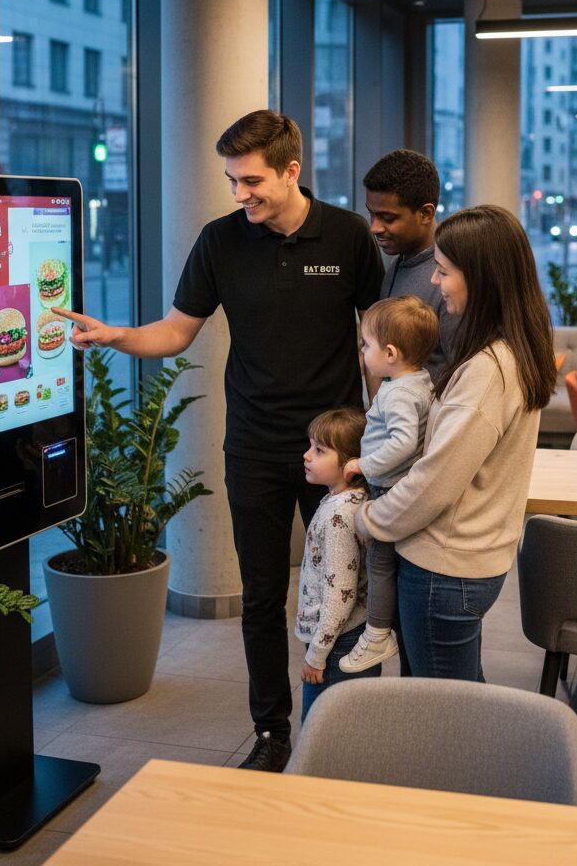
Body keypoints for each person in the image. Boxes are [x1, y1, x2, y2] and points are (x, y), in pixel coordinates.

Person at [54, 110, 384, 771]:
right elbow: (176, 332)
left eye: (251, 181)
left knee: (347, 590)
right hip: (255, 446)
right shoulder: (220, 241)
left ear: (291, 171)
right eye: (232, 181)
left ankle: (348, 732)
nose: (239, 194)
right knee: (261, 597)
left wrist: (383, 433)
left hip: (340, 453)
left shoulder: (348, 235)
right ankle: (272, 733)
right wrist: (115, 335)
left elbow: (378, 340)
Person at [355, 205, 557, 681]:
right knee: (459, 698)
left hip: (445, 566)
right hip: (470, 558)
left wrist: (370, 519)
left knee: (442, 709)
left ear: (481, 278)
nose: (435, 282)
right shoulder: (514, 350)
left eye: (444, 272)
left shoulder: (487, 370)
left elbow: (436, 481)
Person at [336, 295, 439, 674]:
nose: (363, 351)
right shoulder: (421, 381)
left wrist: (362, 464)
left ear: (391, 353)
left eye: (367, 345)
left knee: (379, 564)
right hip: (405, 488)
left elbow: (403, 442)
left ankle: (378, 633)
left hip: (390, 489)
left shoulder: (396, 393)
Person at [296, 407, 381, 720]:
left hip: (338, 643)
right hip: (345, 636)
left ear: (350, 463)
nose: (307, 455)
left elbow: (339, 592)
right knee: (354, 726)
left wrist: (317, 654)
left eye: (319, 450)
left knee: (323, 729)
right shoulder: (351, 501)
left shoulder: (339, 515)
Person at [363, 149, 459, 376]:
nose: (374, 228)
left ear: (425, 213)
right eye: (372, 215)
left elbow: (462, 374)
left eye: (388, 218)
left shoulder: (452, 279)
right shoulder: (397, 264)